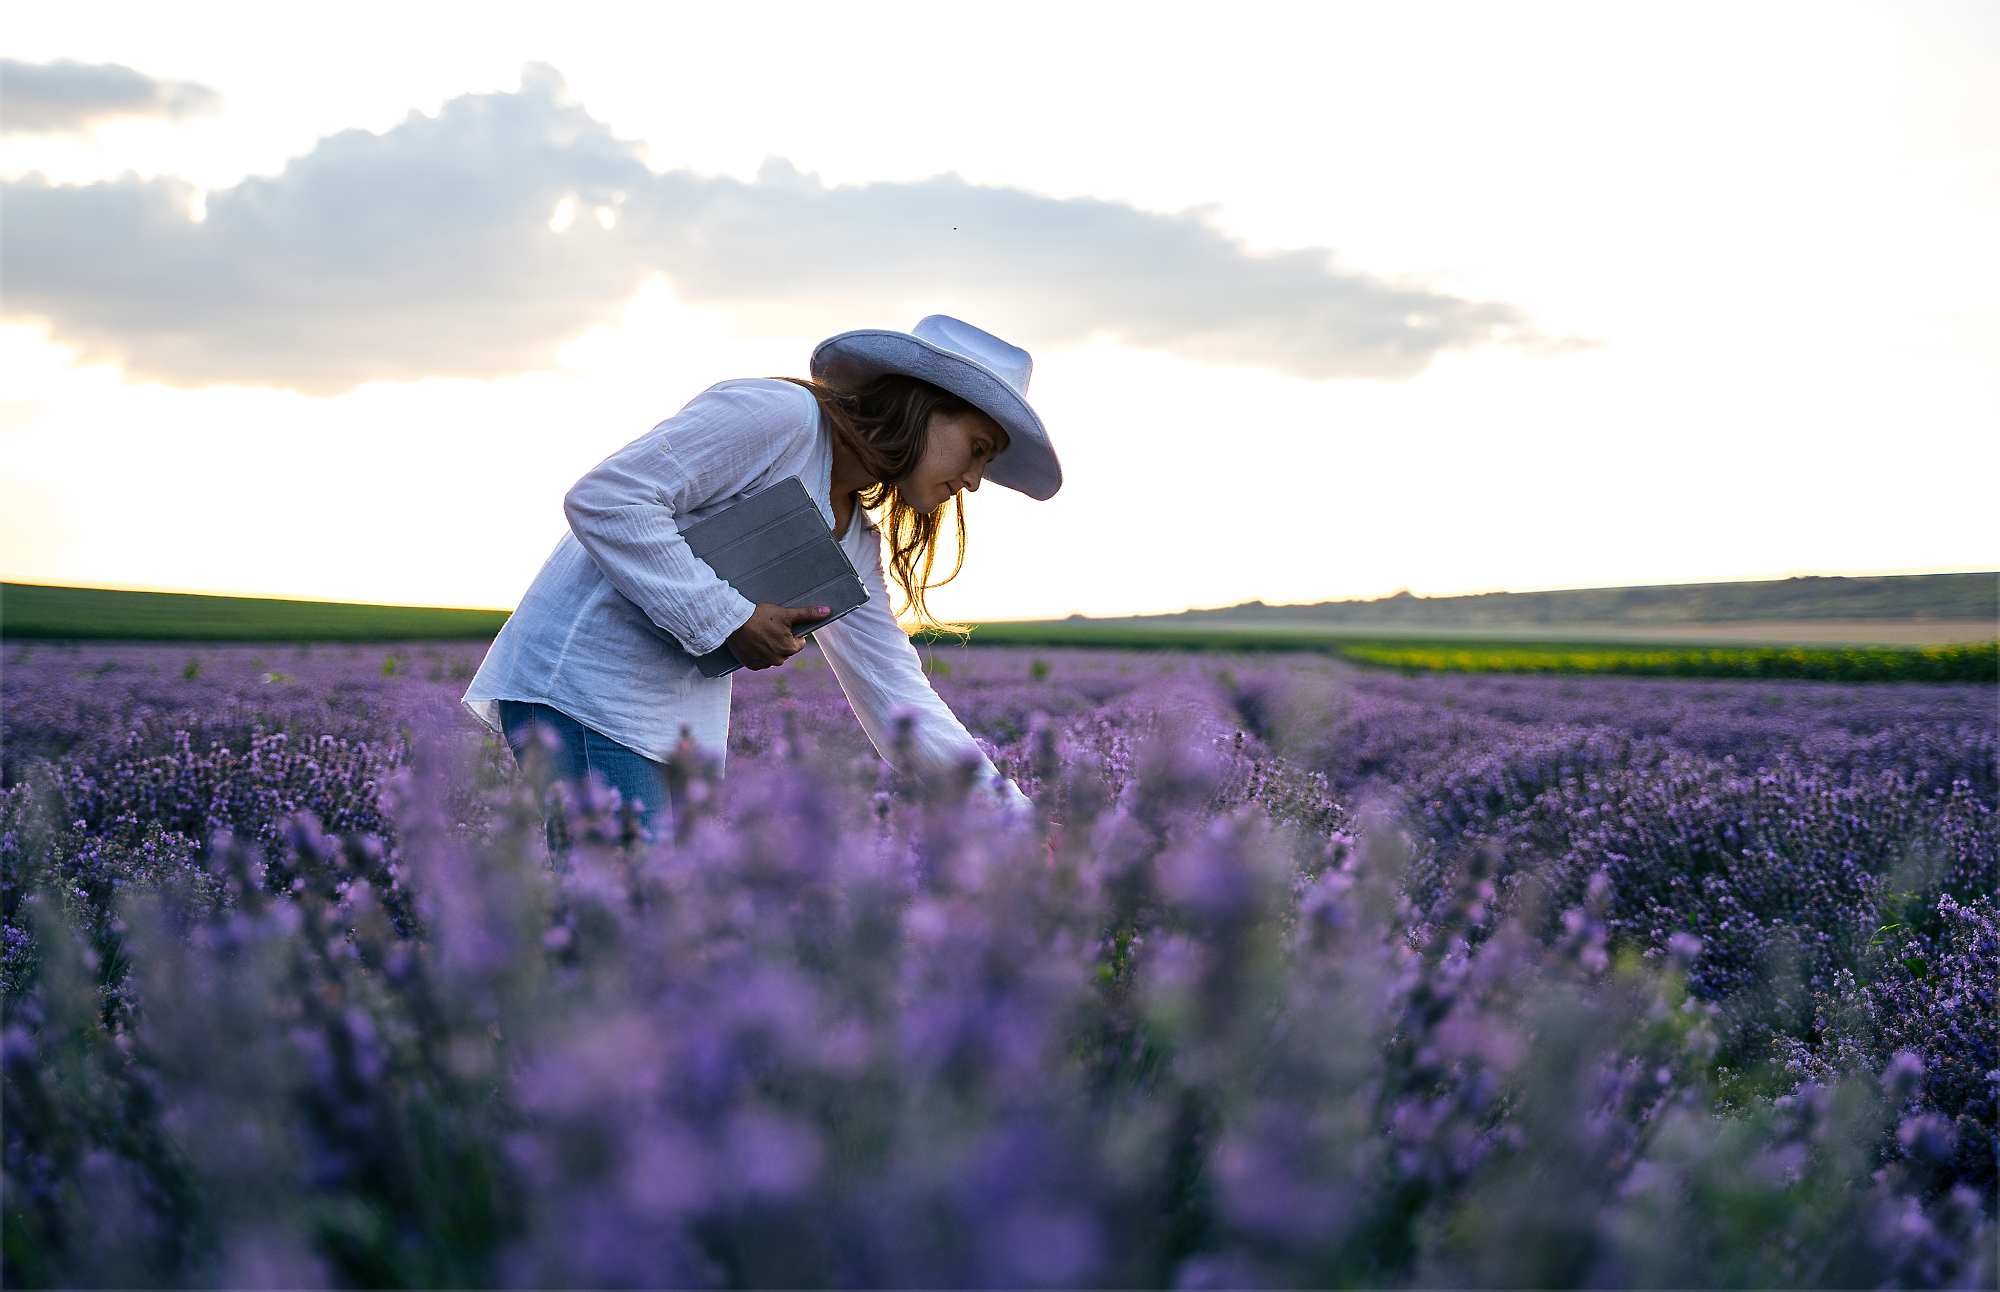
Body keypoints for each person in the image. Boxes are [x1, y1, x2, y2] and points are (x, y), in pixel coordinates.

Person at [462, 315, 1059, 843]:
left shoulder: (852, 535)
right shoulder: (784, 418)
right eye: (977, 448)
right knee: (626, 928)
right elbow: (609, 497)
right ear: (927, 407)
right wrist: (731, 618)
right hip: (587, 686)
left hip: (669, 723)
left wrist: (1017, 822)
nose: (976, 479)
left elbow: (897, 696)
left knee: (648, 938)